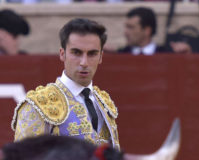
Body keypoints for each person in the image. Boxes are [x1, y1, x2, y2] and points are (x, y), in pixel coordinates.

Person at [11, 18, 120, 149]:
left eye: (92, 54)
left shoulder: (103, 103)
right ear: (62, 54)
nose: (84, 62)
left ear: (101, 57)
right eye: (76, 53)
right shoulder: (38, 105)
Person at [118, 7, 192, 55]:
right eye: (126, 27)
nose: (126, 32)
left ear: (147, 30)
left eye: (131, 27)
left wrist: (187, 58)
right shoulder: (120, 54)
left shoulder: (166, 55)